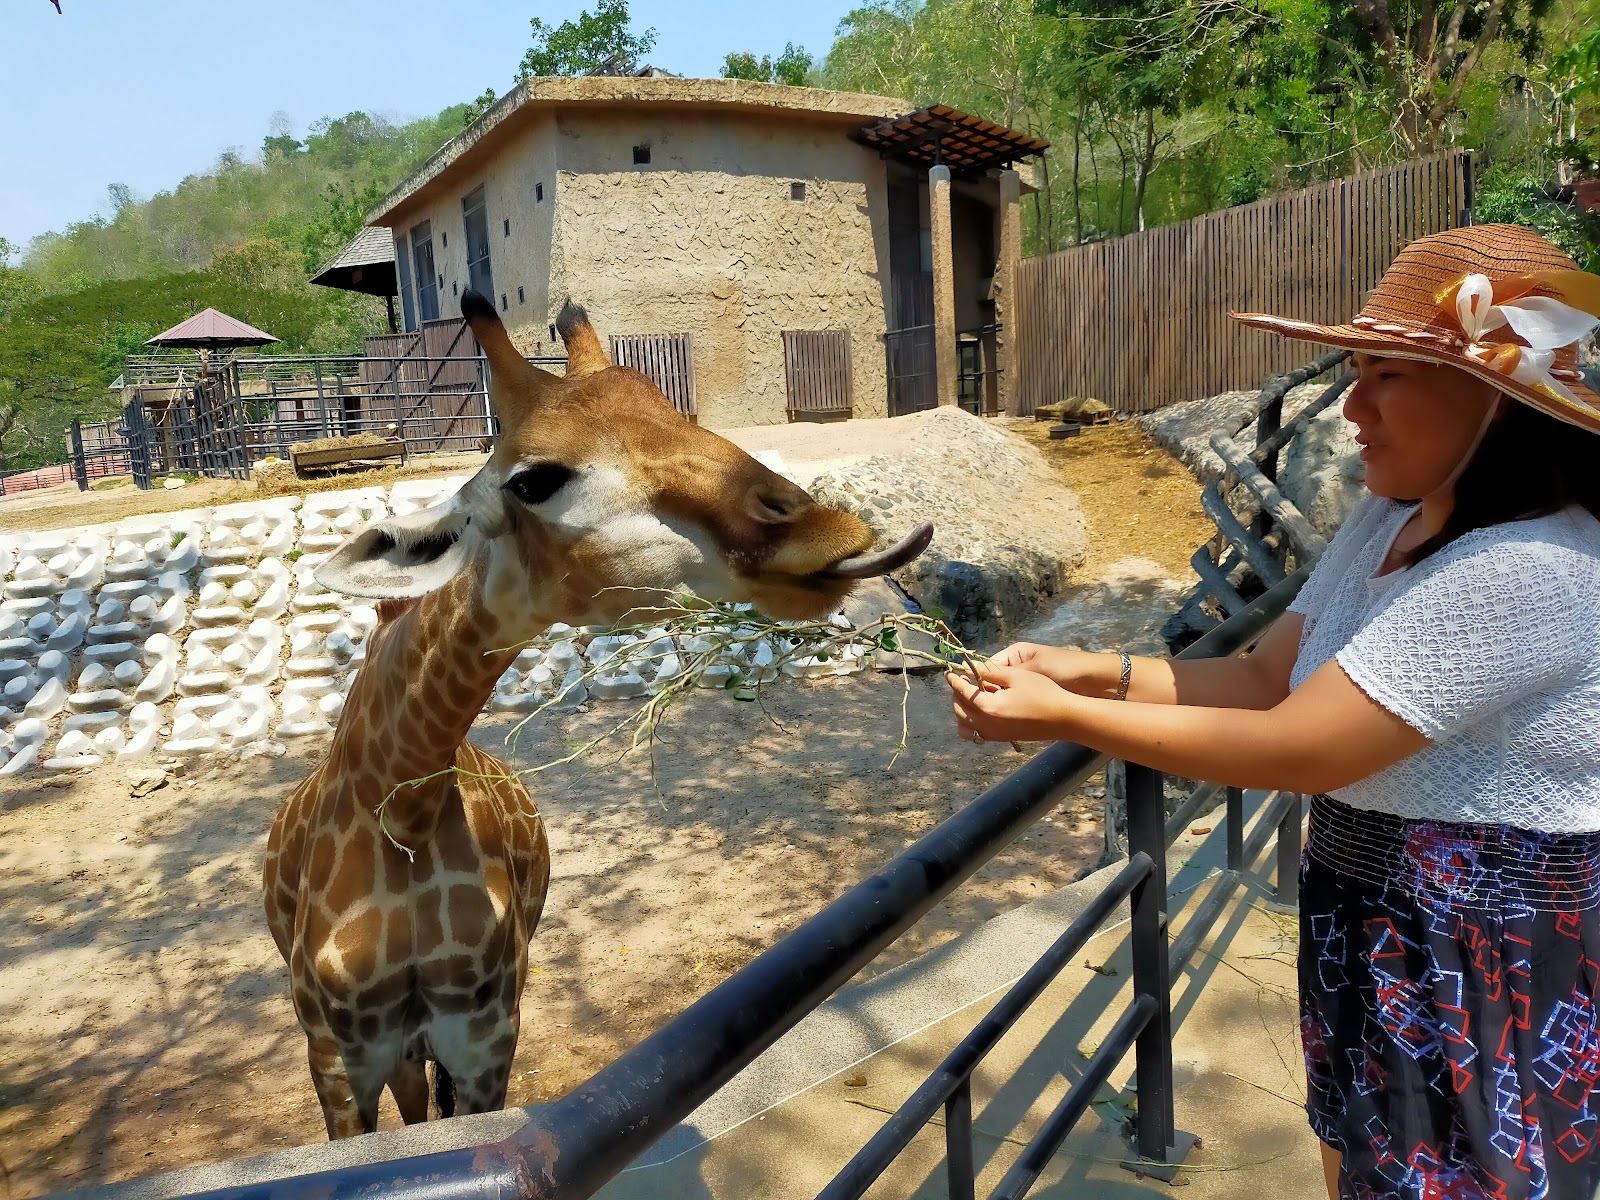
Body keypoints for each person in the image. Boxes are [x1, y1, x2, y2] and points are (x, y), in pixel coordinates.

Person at [947, 224, 1600, 1200]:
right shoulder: (1394, 515)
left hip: (1481, 969)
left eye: (1389, 374)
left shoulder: (1532, 570)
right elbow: (1262, 678)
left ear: (1500, 401)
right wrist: (1090, 672)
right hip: (1366, 928)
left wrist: (1065, 720)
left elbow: (1299, 747)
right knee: (1354, 1159)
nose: (1351, 407)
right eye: (1355, 369)